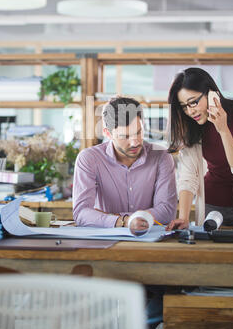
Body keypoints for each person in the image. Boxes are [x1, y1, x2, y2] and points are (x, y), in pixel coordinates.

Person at [166, 67, 233, 230]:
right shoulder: (192, 126)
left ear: (211, 94)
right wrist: (183, 217)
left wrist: (223, 129)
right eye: (184, 106)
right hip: (210, 207)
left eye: (193, 102)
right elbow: (188, 177)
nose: (190, 111)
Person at [73, 96, 177, 230]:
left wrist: (110, 217)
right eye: (125, 136)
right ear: (107, 133)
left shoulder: (161, 157)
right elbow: (81, 213)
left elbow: (167, 212)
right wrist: (125, 221)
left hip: (150, 240)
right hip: (105, 242)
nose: (135, 142)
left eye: (139, 132)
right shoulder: (89, 159)